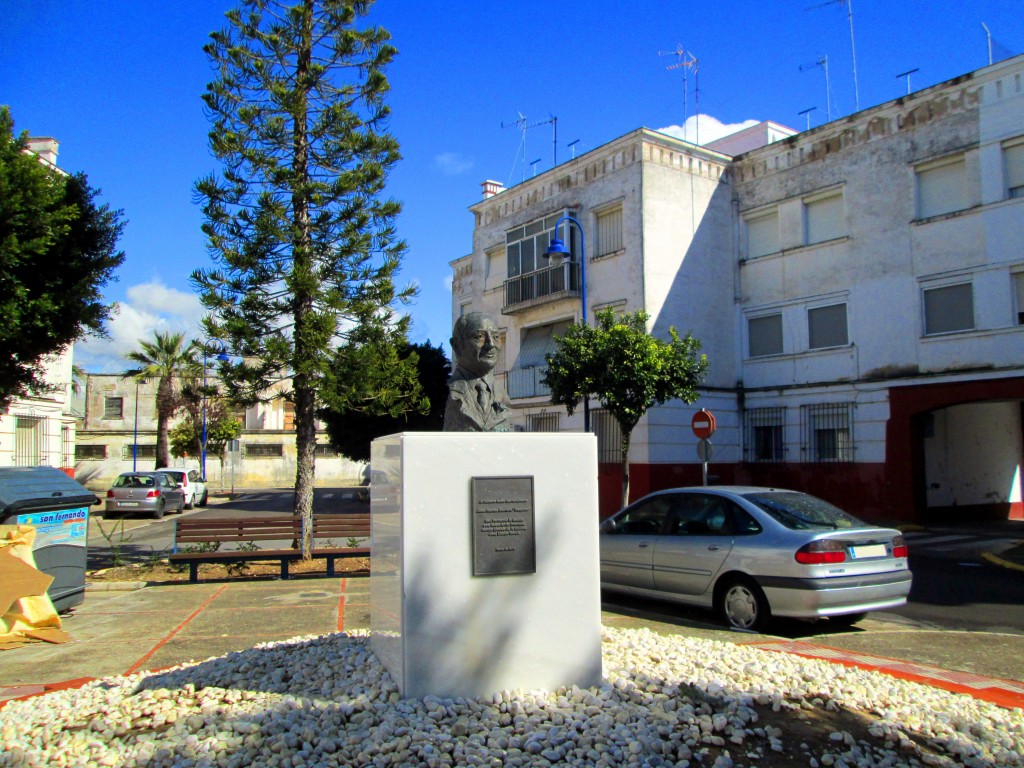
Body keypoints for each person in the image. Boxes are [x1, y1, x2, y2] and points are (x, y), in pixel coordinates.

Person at [444, 312, 511, 432]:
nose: (491, 344)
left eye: (496, 337)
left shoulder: (502, 395)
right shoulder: (447, 391)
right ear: (456, 345)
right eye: (479, 336)